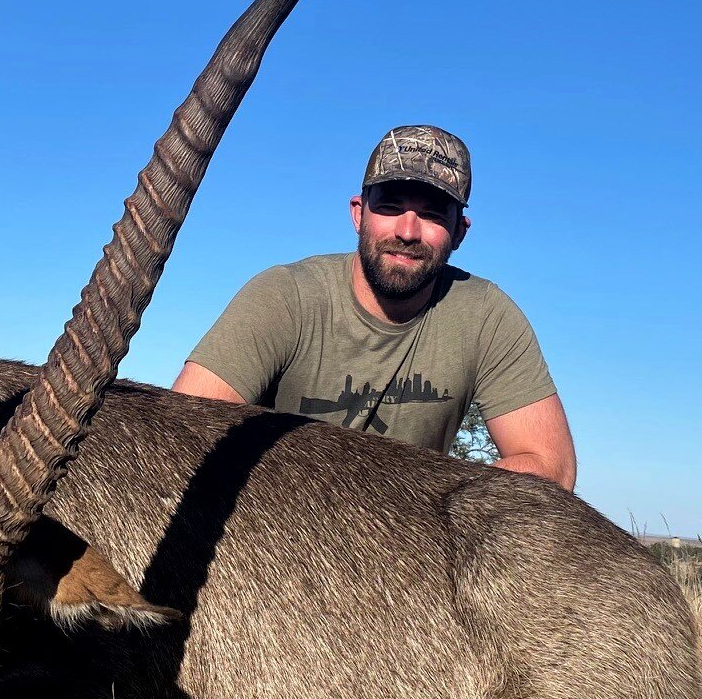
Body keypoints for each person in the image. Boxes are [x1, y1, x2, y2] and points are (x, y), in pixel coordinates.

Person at [173, 124, 576, 488]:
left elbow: (552, 468)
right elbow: (186, 433)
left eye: (433, 215)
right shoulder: (285, 294)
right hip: (274, 528)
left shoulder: (487, 315)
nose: (407, 231)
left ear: (459, 233)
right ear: (358, 214)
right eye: (389, 206)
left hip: (407, 539)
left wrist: (415, 499)